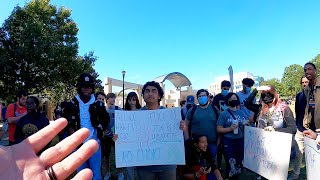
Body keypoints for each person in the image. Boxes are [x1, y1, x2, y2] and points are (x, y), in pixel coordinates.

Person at [114, 81, 186, 180]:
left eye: (154, 91)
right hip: (144, 166)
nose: (150, 93)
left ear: (159, 95)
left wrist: (182, 127)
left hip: (167, 164)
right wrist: (118, 137)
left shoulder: (170, 116)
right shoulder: (135, 116)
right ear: (143, 95)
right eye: (147, 91)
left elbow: (178, 135)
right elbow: (128, 138)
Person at [0, 118, 99, 179]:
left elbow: (48, 139)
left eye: (32, 103)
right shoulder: (23, 120)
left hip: (41, 155)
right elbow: (18, 135)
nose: (29, 105)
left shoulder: (42, 119)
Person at [63, 73, 109, 180]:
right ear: (79, 87)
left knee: (96, 175)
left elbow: (106, 120)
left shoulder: (99, 105)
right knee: (82, 175)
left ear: (92, 88)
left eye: (88, 86)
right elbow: (66, 122)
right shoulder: (71, 104)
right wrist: (73, 135)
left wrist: (102, 128)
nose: (86, 89)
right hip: (78, 147)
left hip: (94, 145)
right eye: (83, 86)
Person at [289, 63, 319, 180]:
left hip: (314, 130)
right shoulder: (300, 96)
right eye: (303, 82)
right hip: (301, 129)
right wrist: (298, 126)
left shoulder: (315, 92)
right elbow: (298, 111)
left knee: (313, 155)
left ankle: (312, 175)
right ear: (301, 84)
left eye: (307, 82)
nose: (305, 84)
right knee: (299, 154)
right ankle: (295, 174)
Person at [184, 89, 219, 180]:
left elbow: (220, 125)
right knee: (198, 167)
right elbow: (185, 125)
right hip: (196, 145)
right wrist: (188, 140)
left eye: (203, 96)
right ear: (197, 98)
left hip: (211, 143)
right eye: (199, 96)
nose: (201, 98)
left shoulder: (215, 110)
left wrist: (219, 142)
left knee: (212, 166)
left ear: (208, 97)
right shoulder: (193, 110)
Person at [217, 93, 247, 180]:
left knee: (238, 164)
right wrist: (230, 129)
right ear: (228, 101)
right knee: (231, 164)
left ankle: (236, 178)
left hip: (240, 140)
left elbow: (245, 124)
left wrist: (245, 124)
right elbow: (218, 129)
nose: (234, 100)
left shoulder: (241, 112)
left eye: (235, 98)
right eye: (232, 98)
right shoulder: (224, 114)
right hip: (229, 142)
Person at [104, 92, 124, 180]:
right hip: (106, 136)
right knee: (107, 156)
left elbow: (126, 117)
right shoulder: (103, 110)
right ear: (107, 99)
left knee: (118, 155)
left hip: (116, 137)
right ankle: (108, 172)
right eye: (111, 98)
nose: (113, 99)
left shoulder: (118, 109)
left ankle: (120, 172)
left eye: (114, 98)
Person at [212, 80, 231, 170]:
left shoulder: (231, 97)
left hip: (229, 125)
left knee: (228, 148)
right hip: (219, 124)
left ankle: (229, 166)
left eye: (227, 89)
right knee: (219, 146)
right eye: (224, 88)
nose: (226, 90)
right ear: (221, 88)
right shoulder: (217, 98)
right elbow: (214, 108)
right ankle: (217, 166)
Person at [123, 91, 142, 180]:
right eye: (130, 100)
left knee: (140, 168)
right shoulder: (123, 113)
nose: (131, 102)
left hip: (140, 143)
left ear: (137, 100)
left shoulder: (142, 112)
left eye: (134, 100)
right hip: (128, 143)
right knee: (129, 167)